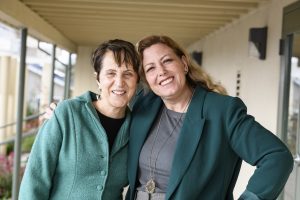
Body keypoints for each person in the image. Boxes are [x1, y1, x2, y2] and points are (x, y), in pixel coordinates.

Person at [126, 35, 294, 200]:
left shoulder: (221, 110)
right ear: (146, 79)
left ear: (184, 64)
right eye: (150, 68)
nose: (161, 72)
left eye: (167, 61)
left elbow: (276, 156)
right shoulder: (144, 106)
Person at [19, 39, 140, 200]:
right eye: (110, 73)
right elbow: (35, 180)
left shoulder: (138, 128)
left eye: (128, 74)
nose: (119, 82)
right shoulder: (66, 114)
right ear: (98, 79)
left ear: (137, 80)